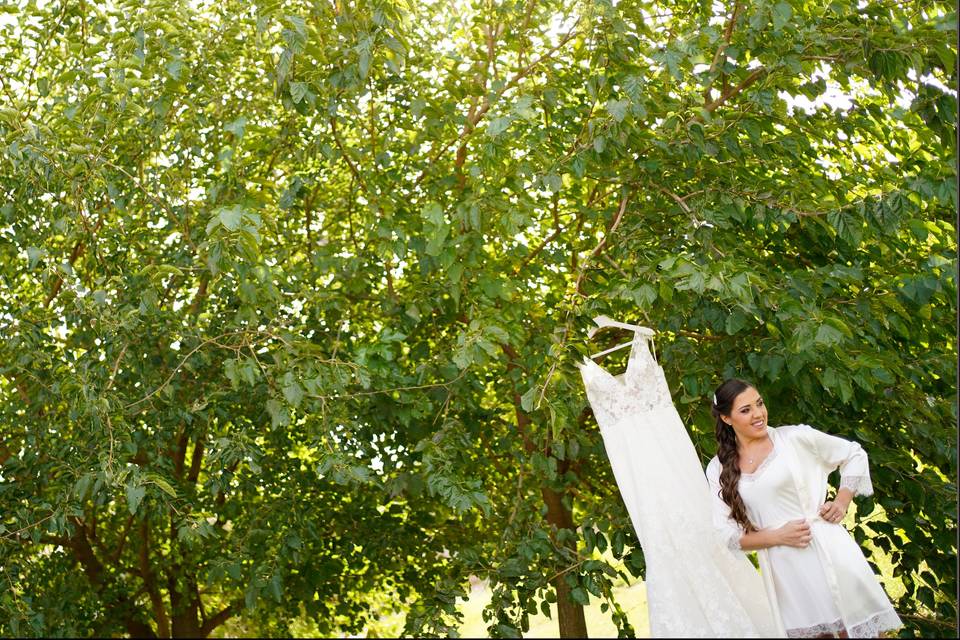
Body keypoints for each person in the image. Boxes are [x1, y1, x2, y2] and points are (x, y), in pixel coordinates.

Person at [705, 378, 903, 639]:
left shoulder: (795, 438)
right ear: (727, 419)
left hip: (826, 552)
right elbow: (725, 534)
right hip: (785, 573)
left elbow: (853, 454)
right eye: (745, 410)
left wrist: (842, 501)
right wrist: (777, 536)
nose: (758, 414)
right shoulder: (718, 468)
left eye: (759, 404)